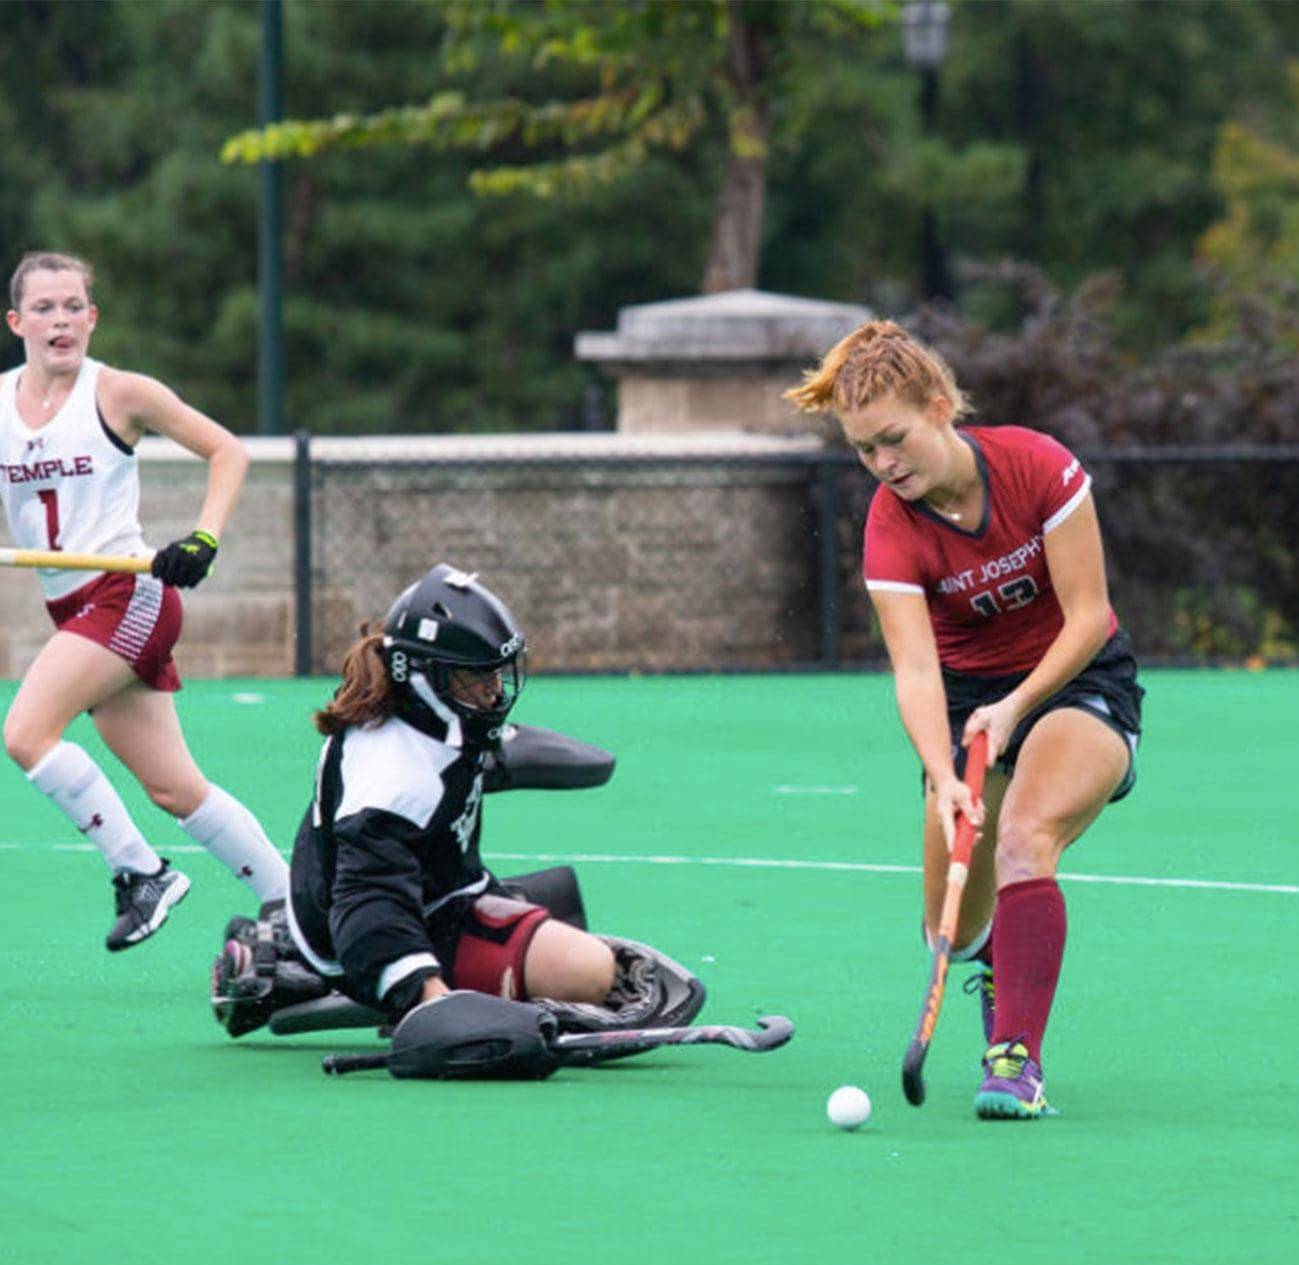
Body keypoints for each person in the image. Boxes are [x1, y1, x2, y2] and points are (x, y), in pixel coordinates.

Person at [785, 321, 1144, 1122]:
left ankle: (1015, 1058)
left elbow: (1089, 616)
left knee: (1022, 837)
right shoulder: (890, 526)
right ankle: (997, 967)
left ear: (940, 408)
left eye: (894, 439)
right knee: (952, 926)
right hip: (962, 703)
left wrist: (1016, 708)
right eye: (864, 450)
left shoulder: (1037, 467)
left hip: (1076, 680)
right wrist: (943, 773)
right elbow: (916, 670)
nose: (884, 464)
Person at [0, 251, 289, 950]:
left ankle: (141, 873)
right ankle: (293, 902)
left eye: (74, 307)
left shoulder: (121, 393)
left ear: (93, 319)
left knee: (27, 734)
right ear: (16, 322)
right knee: (175, 789)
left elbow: (229, 452)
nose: (61, 321)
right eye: (44, 308)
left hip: (128, 594)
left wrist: (204, 538)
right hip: (71, 607)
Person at [207, 564, 704, 1045]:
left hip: (433, 892)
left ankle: (298, 960)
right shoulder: (390, 780)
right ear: (423, 676)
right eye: (475, 677)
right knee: (592, 972)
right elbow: (367, 906)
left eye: (496, 673)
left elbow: (474, 766)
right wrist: (433, 1001)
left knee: (563, 899)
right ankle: (336, 978)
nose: (493, 691)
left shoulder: (429, 719)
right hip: (376, 928)